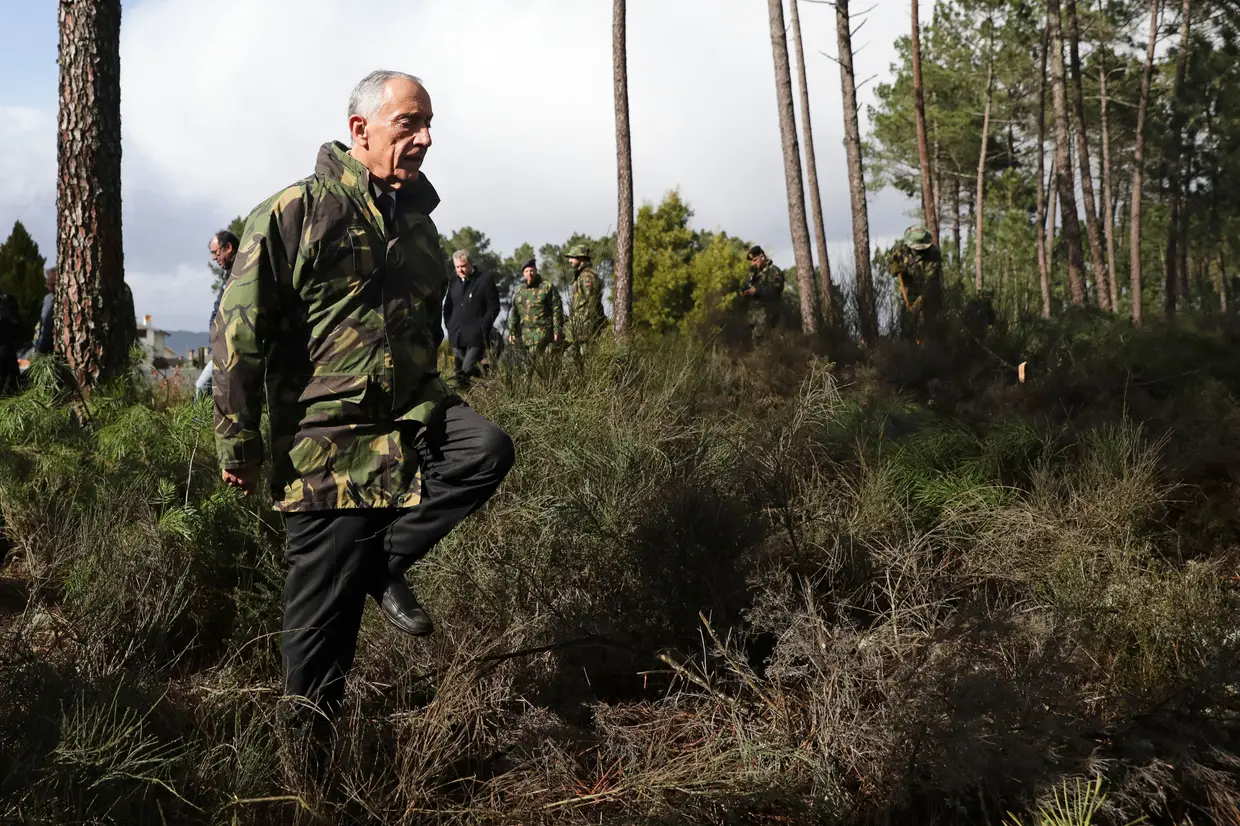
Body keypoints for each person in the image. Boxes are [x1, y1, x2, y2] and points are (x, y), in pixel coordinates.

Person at [210, 70, 515, 741]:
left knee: (486, 448)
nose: (425, 138)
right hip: (327, 451)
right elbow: (237, 334)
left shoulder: (420, 226)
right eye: (409, 123)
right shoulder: (297, 211)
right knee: (322, 649)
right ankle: (304, 782)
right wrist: (239, 444)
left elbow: (420, 329)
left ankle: (382, 563)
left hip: (407, 424)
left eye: (429, 124)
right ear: (361, 130)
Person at [443, 249, 499, 388]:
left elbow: (494, 307)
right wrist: (449, 325)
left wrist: (483, 328)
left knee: (467, 369)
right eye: (457, 267)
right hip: (457, 335)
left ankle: (488, 371)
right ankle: (467, 402)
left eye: (463, 266)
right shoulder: (453, 282)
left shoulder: (484, 280)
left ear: (470, 264)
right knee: (459, 377)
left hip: (477, 337)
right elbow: (448, 306)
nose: (460, 270)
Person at [196, 230, 239, 399]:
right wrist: (214, 338)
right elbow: (217, 309)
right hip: (223, 347)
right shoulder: (228, 274)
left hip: (235, 346)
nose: (214, 258)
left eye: (216, 252)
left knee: (203, 386)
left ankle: (200, 424)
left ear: (228, 247)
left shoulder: (242, 272)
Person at [888, 226, 943, 341]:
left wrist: (918, 303)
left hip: (929, 295)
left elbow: (931, 281)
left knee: (929, 329)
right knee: (907, 326)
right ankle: (907, 350)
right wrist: (894, 269)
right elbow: (891, 266)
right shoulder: (899, 248)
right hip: (908, 292)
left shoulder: (933, 254)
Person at [507, 258, 563, 356]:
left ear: (536, 271)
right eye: (526, 271)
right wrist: (512, 332)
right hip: (526, 338)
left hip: (545, 336)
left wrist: (557, 331)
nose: (529, 273)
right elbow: (515, 313)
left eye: (532, 270)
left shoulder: (546, 287)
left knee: (545, 368)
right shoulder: (520, 291)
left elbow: (557, 309)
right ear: (523, 273)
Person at [564, 245, 606, 349]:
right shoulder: (580, 276)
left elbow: (591, 303)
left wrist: (589, 323)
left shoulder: (587, 277)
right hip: (579, 326)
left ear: (581, 258)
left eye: (572, 257)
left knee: (585, 357)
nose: (570, 260)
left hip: (585, 328)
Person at [741, 245, 785, 338]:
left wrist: (757, 291)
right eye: (751, 261)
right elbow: (747, 288)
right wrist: (744, 291)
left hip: (769, 320)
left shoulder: (774, 271)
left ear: (762, 257)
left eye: (755, 260)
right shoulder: (753, 275)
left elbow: (775, 290)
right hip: (752, 320)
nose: (753, 263)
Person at [33, 266, 56, 356]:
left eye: (53, 285)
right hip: (42, 350)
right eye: (48, 284)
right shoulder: (47, 299)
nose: (50, 288)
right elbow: (43, 324)